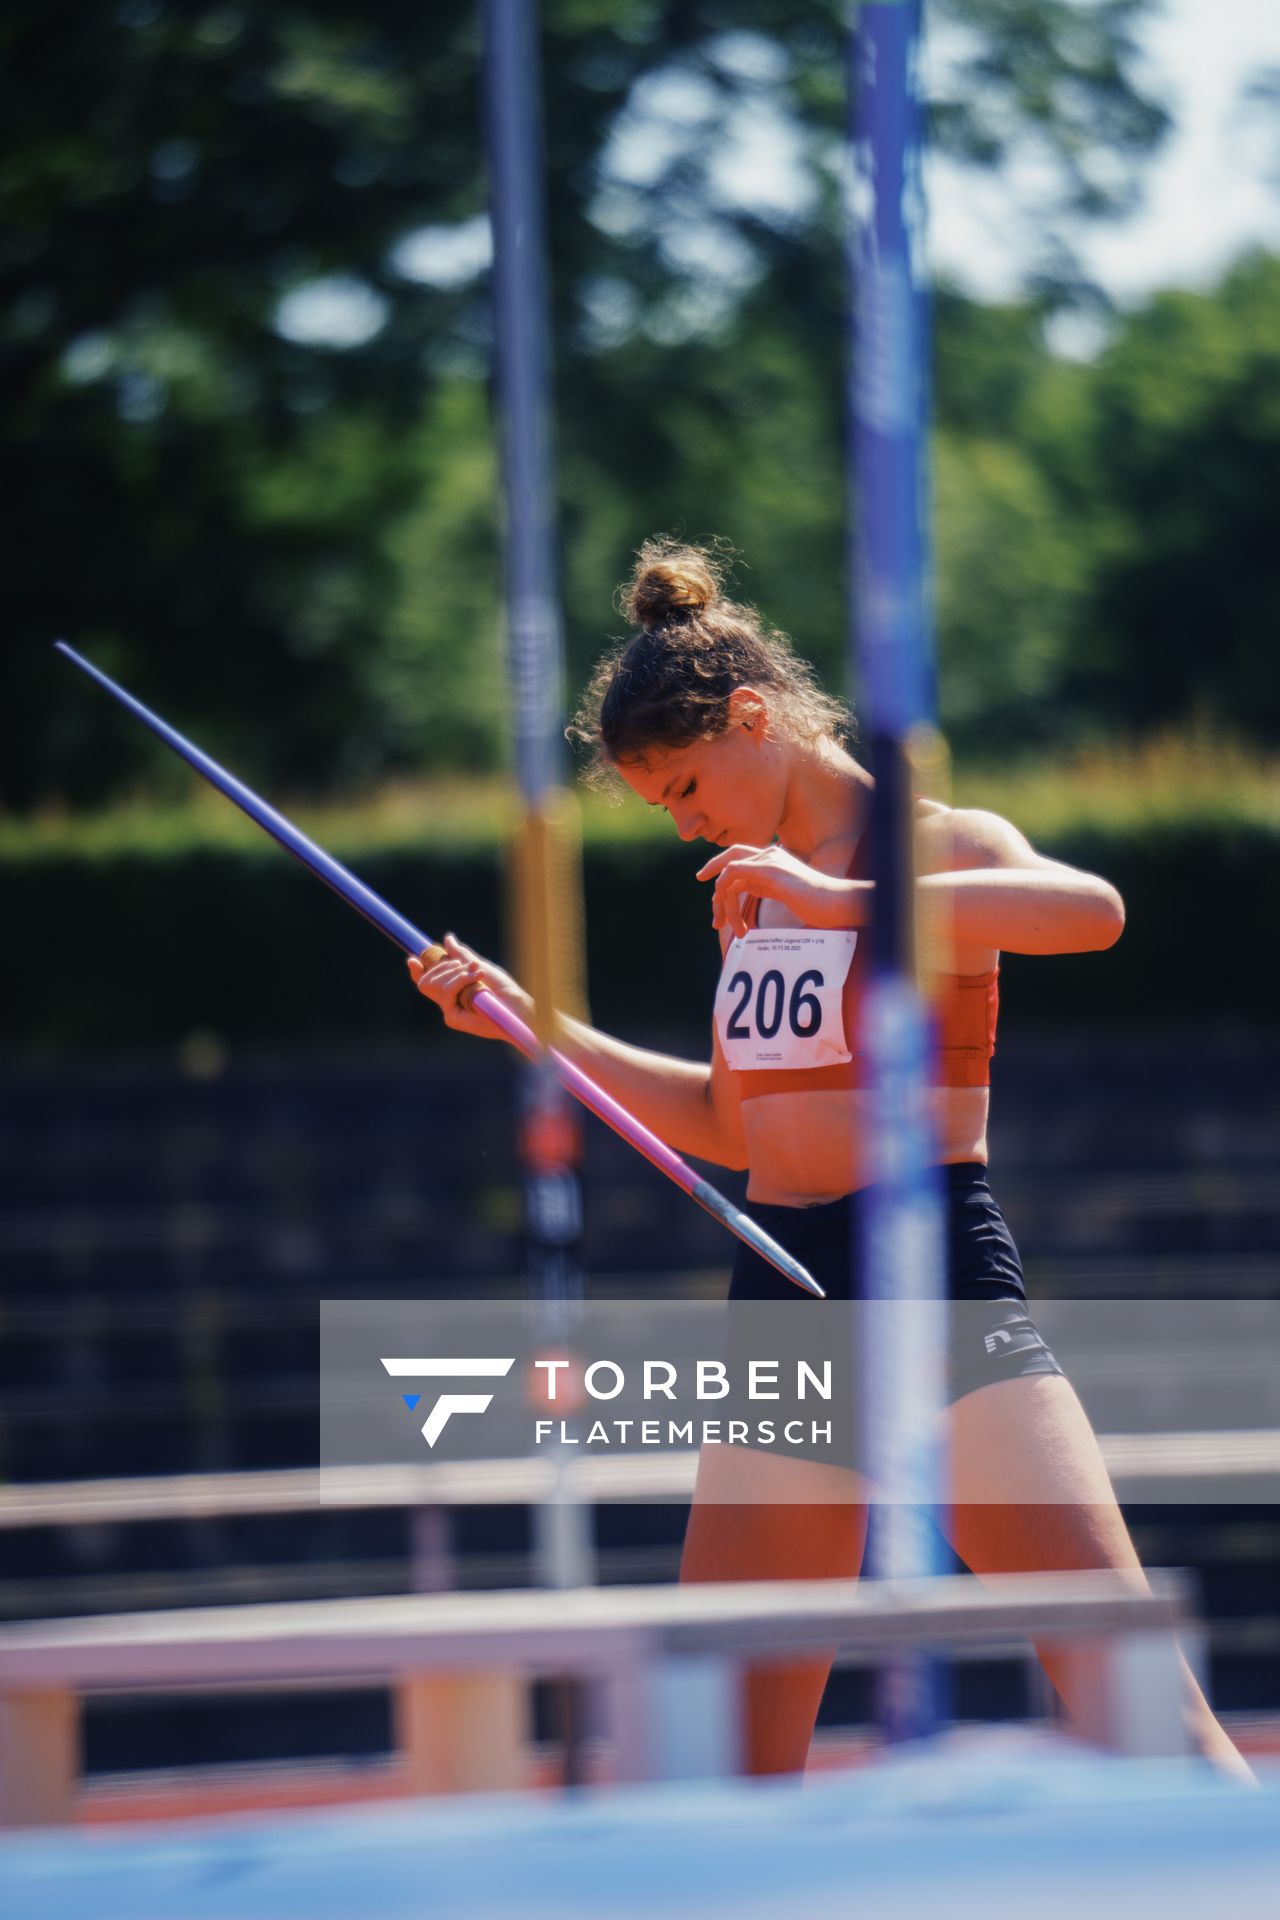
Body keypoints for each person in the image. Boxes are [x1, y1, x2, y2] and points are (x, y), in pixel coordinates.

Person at [410, 537, 1252, 1782]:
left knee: (1133, 1703)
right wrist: (527, 1023)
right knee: (722, 1756)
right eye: (665, 810)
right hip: (784, 1287)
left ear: (753, 718)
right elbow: (730, 1125)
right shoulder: (752, 896)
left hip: (925, 1274)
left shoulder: (931, 845)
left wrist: (837, 898)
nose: (686, 825)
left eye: (689, 789)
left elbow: (1091, 913)